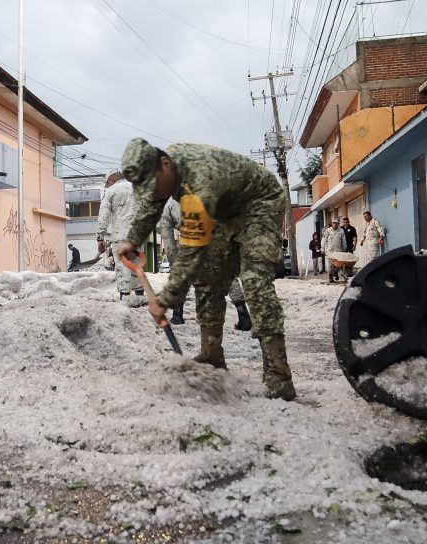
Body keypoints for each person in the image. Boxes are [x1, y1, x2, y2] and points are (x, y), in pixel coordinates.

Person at [115, 138, 296, 401]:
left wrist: (166, 300)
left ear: (165, 164)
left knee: (255, 281)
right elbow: (152, 204)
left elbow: (190, 253)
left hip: (259, 204)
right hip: (224, 212)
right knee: (208, 278)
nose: (153, 192)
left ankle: (279, 376)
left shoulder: (200, 185)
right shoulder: (165, 171)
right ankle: (212, 357)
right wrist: (133, 239)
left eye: (153, 185)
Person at [159, 197, 252, 330]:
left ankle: (178, 315)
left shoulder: (170, 204)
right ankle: (243, 315)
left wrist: (174, 260)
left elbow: (167, 237)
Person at [97, 172, 145, 304]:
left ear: (111, 180)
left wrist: (100, 237)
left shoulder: (110, 191)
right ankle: (140, 295)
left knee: (122, 266)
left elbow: (104, 216)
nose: (107, 185)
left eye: (107, 183)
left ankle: (125, 298)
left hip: (120, 236)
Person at [322, 218, 346, 282]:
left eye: (337, 223)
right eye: (334, 223)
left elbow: (343, 240)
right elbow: (324, 240)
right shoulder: (328, 231)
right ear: (332, 223)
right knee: (331, 264)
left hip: (338, 250)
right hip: (330, 250)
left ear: (338, 224)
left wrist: (344, 248)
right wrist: (322, 248)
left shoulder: (341, 231)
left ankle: (335, 273)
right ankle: (330, 277)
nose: (335, 224)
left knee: (338, 264)